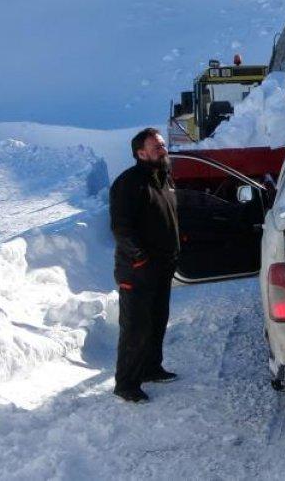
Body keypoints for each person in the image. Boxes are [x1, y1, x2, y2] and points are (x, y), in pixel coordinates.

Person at [110, 128, 181, 403]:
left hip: (162, 266)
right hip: (137, 269)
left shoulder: (163, 177)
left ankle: (151, 367)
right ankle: (126, 384)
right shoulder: (129, 183)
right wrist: (139, 258)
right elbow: (120, 227)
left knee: (157, 320)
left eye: (162, 144)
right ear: (141, 153)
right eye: (156, 147)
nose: (162, 149)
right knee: (135, 327)